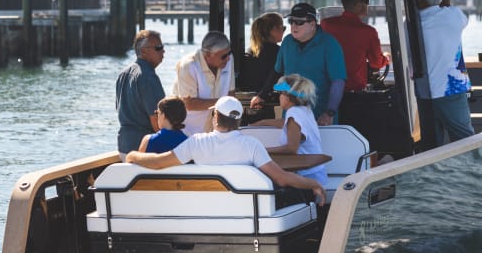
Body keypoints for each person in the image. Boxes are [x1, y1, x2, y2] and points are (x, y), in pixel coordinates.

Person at [126, 96, 326, 206]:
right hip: (244, 209)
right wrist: (313, 184)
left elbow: (159, 162)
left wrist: (134, 155)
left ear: (214, 116)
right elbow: (282, 178)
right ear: (238, 121)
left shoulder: (196, 143)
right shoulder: (251, 145)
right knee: (300, 197)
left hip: (205, 207)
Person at [250, 3, 346, 126]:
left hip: (320, 116)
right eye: (291, 21)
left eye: (299, 22)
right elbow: (277, 71)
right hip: (291, 115)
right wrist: (262, 95)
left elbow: (338, 81)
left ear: (312, 24)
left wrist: (329, 113)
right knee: (291, 145)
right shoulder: (287, 42)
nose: (293, 26)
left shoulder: (330, 44)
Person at [410, 0, 474, 145]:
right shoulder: (453, 15)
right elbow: (461, 20)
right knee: (464, 141)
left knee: (431, 145)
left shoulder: (409, 24)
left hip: (425, 93)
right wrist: (447, 3)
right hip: (452, 90)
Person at [250, 74, 328, 187]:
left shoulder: (293, 113)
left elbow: (291, 148)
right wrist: (263, 122)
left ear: (289, 97)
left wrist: (261, 150)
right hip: (316, 173)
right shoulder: (304, 110)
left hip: (307, 178)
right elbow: (288, 123)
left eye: (281, 93)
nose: (279, 97)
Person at [320, 0, 389, 93]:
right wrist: (387, 58)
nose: (368, 4)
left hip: (327, 90)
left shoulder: (326, 24)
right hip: (354, 91)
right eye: (366, 1)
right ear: (358, 5)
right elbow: (376, 63)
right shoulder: (368, 32)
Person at [115, 30, 167, 158]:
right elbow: (157, 120)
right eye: (158, 48)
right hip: (145, 148)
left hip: (124, 145)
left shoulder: (123, 74)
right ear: (144, 51)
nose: (163, 51)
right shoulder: (148, 77)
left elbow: (119, 109)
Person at [172, 31, 235, 135]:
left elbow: (231, 94)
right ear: (207, 55)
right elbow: (189, 104)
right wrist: (224, 103)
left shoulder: (229, 59)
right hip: (188, 133)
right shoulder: (188, 65)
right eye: (223, 56)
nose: (228, 58)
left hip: (217, 133)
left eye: (229, 53)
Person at [237, 12, 285, 92]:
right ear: (273, 30)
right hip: (272, 99)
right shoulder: (279, 52)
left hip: (249, 98)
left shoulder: (250, 52)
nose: (283, 32)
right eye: (283, 28)